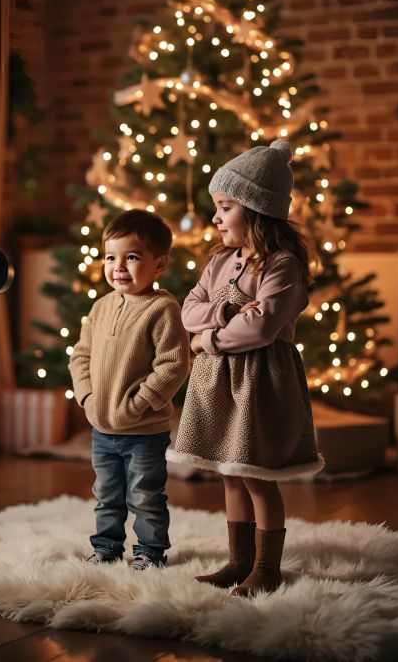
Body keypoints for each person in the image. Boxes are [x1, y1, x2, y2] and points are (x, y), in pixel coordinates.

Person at [167, 139, 324, 597]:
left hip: (260, 381)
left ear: (255, 209)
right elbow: (188, 310)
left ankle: (266, 568)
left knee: (256, 473)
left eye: (224, 206)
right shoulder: (218, 261)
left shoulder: (283, 265)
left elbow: (262, 329)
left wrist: (207, 337)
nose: (215, 218)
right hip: (218, 380)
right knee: (229, 469)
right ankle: (238, 561)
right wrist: (226, 313)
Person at [69, 210, 189, 571]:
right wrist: (87, 397)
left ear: (159, 264)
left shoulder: (163, 309)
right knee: (105, 495)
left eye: (131, 257)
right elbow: (80, 357)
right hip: (101, 429)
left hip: (143, 432)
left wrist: (139, 403)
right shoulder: (101, 306)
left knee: (145, 495)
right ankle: (106, 547)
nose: (118, 267)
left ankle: (150, 552)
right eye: (110, 257)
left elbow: (173, 365)